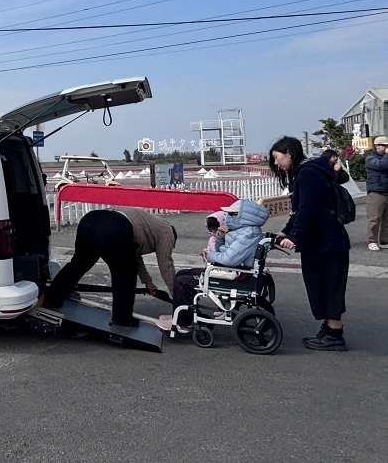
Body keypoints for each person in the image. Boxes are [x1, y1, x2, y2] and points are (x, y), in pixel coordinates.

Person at [270, 136, 351, 351]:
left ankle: (335, 335)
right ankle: (329, 329)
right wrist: (286, 232)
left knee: (329, 286)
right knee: (322, 285)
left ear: (289, 152)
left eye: (277, 158)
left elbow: (308, 208)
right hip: (322, 240)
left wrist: (294, 236)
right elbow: (299, 211)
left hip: (327, 241)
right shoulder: (307, 173)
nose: (276, 163)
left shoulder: (308, 174)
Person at [42, 208, 177, 327]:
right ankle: (122, 319)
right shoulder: (167, 232)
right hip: (114, 226)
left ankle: (52, 298)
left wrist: (148, 282)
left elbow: (133, 255)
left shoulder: (150, 223)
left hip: (91, 220)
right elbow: (166, 266)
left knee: (78, 263)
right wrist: (179, 297)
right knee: (124, 273)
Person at [157, 200, 269, 332]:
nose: (228, 217)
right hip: (233, 270)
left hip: (234, 274)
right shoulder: (245, 230)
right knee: (182, 274)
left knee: (182, 281)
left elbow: (228, 259)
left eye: (231, 214)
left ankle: (182, 322)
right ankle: (183, 313)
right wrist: (221, 237)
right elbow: (225, 251)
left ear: (241, 216)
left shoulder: (247, 234)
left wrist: (210, 255)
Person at [365, 136, 388, 251]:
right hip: (376, 192)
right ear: (377, 146)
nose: (386, 148)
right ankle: (372, 240)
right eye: (385, 146)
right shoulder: (371, 159)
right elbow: (382, 166)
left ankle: (385, 240)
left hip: (386, 191)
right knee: (374, 218)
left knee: (386, 219)